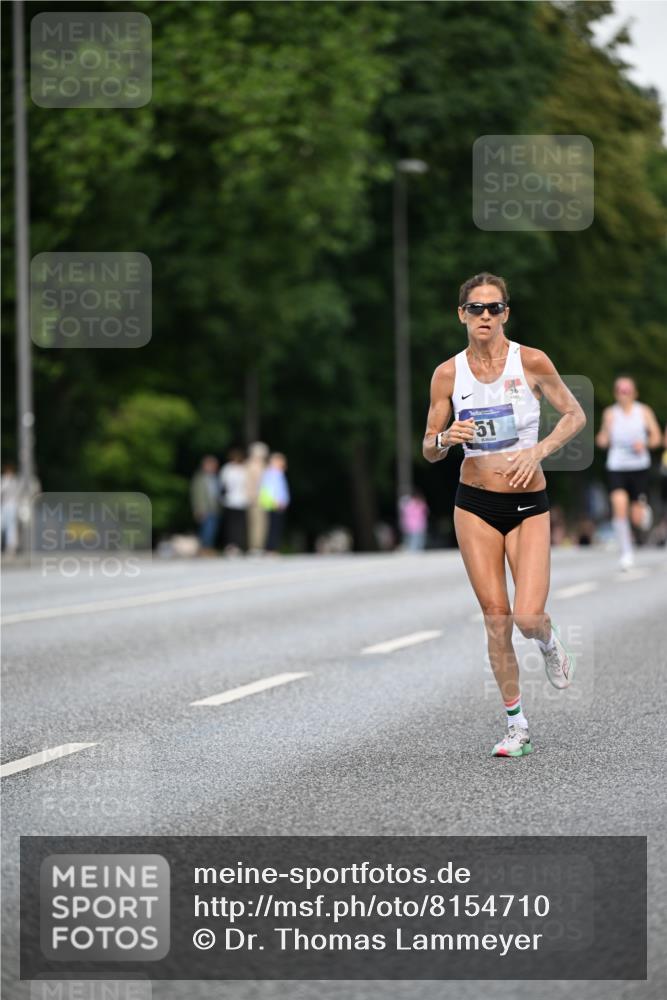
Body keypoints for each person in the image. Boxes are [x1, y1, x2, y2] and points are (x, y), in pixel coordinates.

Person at [423, 272, 586, 759]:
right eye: (476, 308)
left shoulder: (531, 361)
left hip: (527, 504)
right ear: (462, 315)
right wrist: (444, 439)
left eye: (494, 308)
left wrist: (538, 451)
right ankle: (517, 726)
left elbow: (574, 414)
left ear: (506, 314)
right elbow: (429, 447)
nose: (485, 316)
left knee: (527, 616)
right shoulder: (447, 374)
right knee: (496, 617)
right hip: (474, 504)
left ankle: (547, 640)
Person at [595, 376, 661, 570]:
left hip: (639, 467)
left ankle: (642, 512)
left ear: (634, 393)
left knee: (637, 518)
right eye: (619, 390)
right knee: (619, 504)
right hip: (617, 466)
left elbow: (656, 438)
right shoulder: (610, 413)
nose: (623, 394)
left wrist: (645, 444)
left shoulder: (644, 412)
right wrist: (604, 434)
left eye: (627, 390)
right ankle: (626, 553)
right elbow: (602, 440)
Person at [219, 448, 249, 555]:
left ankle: (236, 545)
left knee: (237, 525)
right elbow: (223, 485)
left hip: (240, 501)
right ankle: (231, 545)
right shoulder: (229, 469)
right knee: (232, 525)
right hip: (232, 501)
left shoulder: (240, 469)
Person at [259, 452, 290, 554]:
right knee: (273, 527)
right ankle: (270, 548)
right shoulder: (272, 473)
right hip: (274, 504)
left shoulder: (278, 473)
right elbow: (270, 489)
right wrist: (276, 501)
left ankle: (272, 547)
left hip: (278, 504)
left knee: (275, 526)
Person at [190, 455, 221, 554]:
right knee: (206, 529)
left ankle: (209, 547)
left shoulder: (215, 478)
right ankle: (204, 548)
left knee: (212, 529)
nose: (214, 467)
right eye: (211, 465)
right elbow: (196, 495)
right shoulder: (199, 478)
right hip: (204, 509)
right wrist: (198, 508)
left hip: (215, 508)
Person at [245, 441, 270, 554]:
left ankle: (259, 546)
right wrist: (251, 496)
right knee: (256, 523)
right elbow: (249, 483)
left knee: (262, 524)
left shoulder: (263, 466)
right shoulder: (251, 465)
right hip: (255, 499)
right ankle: (255, 547)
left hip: (264, 499)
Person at [1, 464, 20, 556]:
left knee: (11, 527)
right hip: (5, 505)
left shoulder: (13, 481)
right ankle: (9, 547)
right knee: (5, 526)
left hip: (11, 505)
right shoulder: (5, 480)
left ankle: (11, 547)